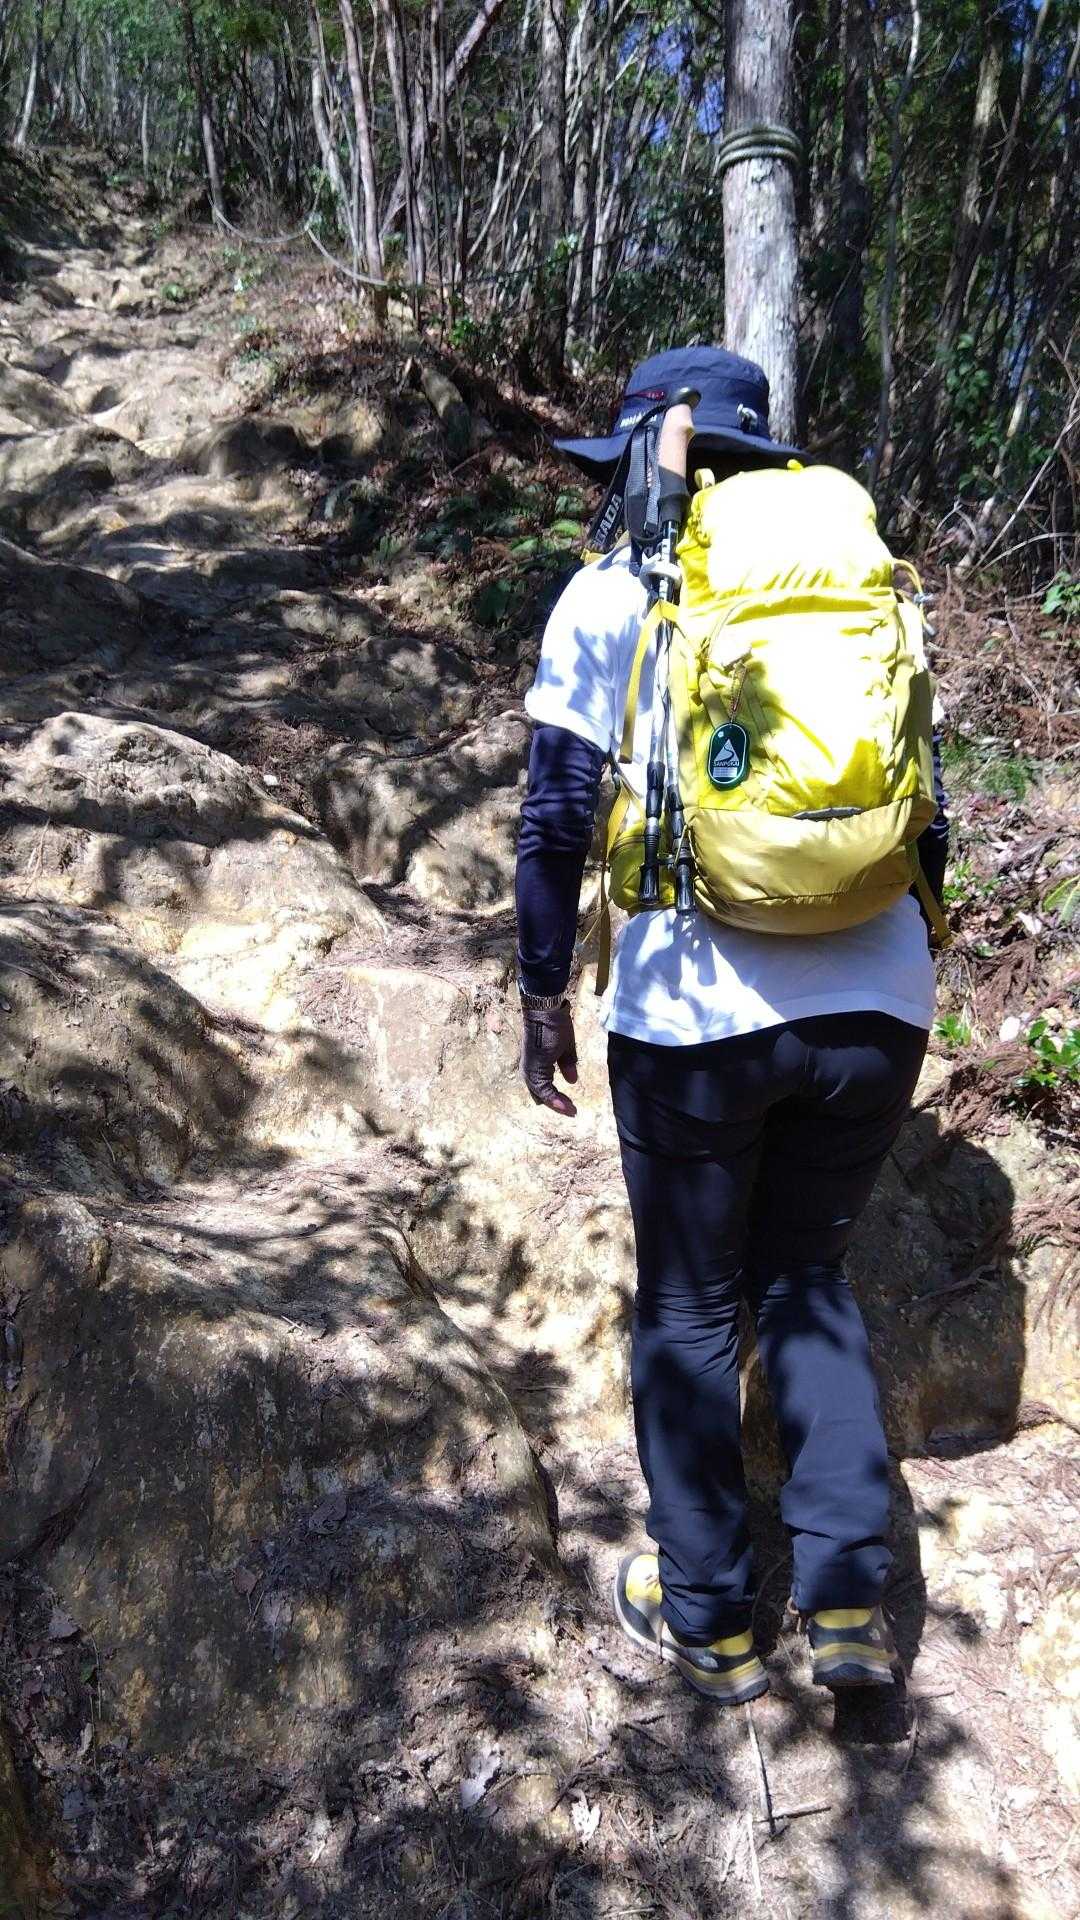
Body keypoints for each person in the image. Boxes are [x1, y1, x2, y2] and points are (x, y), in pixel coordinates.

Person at [514, 346, 948, 1704]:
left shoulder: (614, 591)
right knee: (805, 1279)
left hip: (696, 1018)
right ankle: (848, 1608)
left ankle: (707, 1616)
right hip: (878, 999)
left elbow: (555, 817)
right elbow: (926, 810)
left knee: (692, 1303)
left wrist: (540, 992)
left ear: (650, 451)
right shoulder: (862, 586)